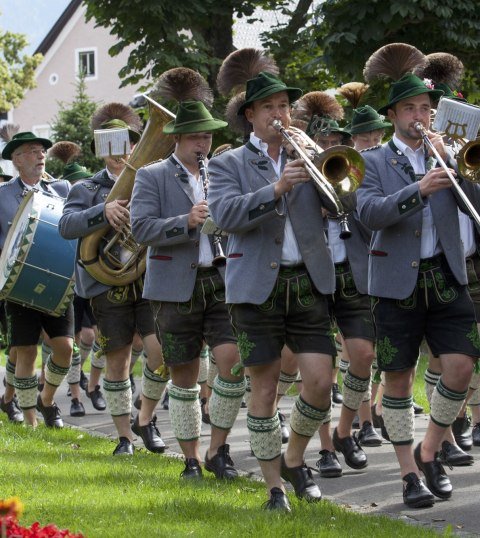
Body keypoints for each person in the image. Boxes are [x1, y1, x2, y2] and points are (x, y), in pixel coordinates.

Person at [208, 69, 336, 511]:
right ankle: (274, 489)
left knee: (320, 382)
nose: (280, 115)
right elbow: (224, 215)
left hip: (307, 280)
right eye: (269, 107)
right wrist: (278, 186)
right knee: (263, 389)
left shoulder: (309, 154)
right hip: (255, 286)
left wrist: (327, 176)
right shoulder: (228, 164)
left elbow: (347, 202)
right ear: (250, 115)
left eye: (284, 106)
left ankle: (295, 457)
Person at [356, 72, 479, 508]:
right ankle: (409, 472)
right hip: (395, 284)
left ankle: (430, 451)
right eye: (410, 108)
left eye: (426, 108)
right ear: (393, 115)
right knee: (398, 378)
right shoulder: (370, 161)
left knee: (462, 367)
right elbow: (369, 213)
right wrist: (418, 190)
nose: (420, 116)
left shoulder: (449, 155)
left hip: (447, 275)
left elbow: (475, 205)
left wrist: (457, 168)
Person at [131, 80, 245, 480]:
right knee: (184, 373)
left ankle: (219, 449)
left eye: (207, 136)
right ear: (178, 139)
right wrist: (186, 222)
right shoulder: (152, 175)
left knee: (232, 363)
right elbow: (141, 228)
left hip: (221, 278)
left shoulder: (223, 171)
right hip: (173, 285)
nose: (203, 143)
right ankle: (191, 459)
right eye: (195, 137)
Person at [59, 104, 167, 455]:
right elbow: (66, 227)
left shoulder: (153, 181)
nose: (121, 151)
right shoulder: (87, 187)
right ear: (101, 149)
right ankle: (125, 437)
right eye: (112, 143)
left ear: (136, 146)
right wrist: (101, 211)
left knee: (161, 353)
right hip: (108, 286)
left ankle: (145, 417)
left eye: (128, 143)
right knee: (117, 360)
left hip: (148, 279)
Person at [0, 132, 73, 428]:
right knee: (27, 350)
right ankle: (30, 421)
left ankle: (47, 400)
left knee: (66, 348)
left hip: (58, 281)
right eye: (32, 151)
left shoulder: (62, 189)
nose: (41, 155)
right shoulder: (2, 195)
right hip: (18, 285)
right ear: (17, 160)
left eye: (42, 150)